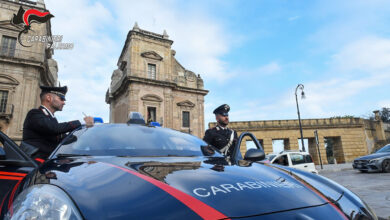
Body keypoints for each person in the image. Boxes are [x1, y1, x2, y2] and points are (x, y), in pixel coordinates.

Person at [22, 85, 94, 161]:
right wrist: (81, 121)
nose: (64, 103)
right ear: (49, 98)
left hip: (48, 162)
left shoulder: (51, 119)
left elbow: (66, 139)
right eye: (61, 99)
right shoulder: (34, 114)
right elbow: (53, 128)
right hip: (33, 163)